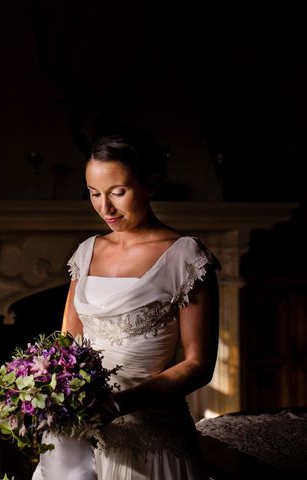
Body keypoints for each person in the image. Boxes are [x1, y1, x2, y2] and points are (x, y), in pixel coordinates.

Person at [32, 131, 220, 480]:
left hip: (152, 438)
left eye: (118, 192)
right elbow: (67, 345)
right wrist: (43, 390)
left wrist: (118, 406)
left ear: (149, 184)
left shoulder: (186, 256)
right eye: (94, 194)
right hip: (82, 435)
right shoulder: (87, 251)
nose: (106, 208)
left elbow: (198, 364)